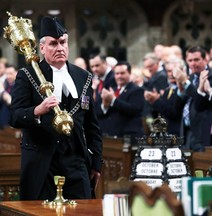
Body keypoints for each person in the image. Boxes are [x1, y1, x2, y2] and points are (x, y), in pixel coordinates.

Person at [9, 16, 103, 200]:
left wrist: (96, 164)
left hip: (76, 162)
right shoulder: (27, 75)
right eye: (53, 44)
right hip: (42, 164)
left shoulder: (83, 76)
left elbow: (92, 125)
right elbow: (15, 116)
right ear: (42, 48)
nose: (59, 48)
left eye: (63, 42)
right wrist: (37, 110)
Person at [173, 46, 212, 151]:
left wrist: (186, 83)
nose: (193, 63)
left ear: (205, 59)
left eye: (196, 60)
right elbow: (176, 108)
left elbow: (200, 103)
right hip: (186, 132)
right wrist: (180, 91)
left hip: (202, 133)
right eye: (190, 60)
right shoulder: (190, 77)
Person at [99, 61, 145, 143]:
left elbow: (132, 109)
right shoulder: (111, 90)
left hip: (129, 137)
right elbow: (99, 112)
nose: (119, 76)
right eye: (117, 74)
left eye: (122, 73)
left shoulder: (137, 90)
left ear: (129, 73)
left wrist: (113, 100)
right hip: (111, 136)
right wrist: (105, 105)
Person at [0, 64, 17, 128]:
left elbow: (11, 102)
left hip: (12, 124)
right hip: (2, 123)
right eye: (6, 74)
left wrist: (2, 91)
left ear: (17, 73)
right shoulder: (5, 84)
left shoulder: (20, 86)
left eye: (10, 73)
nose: (8, 76)